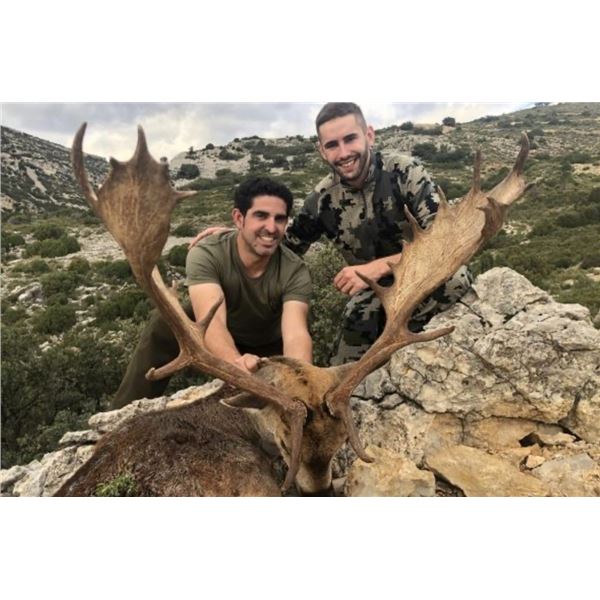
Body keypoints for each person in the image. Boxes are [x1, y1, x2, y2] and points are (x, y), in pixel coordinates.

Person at [191, 102, 472, 366]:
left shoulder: (405, 173)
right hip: (372, 297)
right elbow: (285, 245)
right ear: (322, 151)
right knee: (344, 366)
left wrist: (377, 267)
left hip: (425, 275)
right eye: (332, 145)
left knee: (456, 279)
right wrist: (239, 233)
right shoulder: (321, 199)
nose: (343, 153)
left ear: (369, 135)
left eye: (350, 139)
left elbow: (445, 242)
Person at [111, 176, 312, 409]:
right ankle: (122, 415)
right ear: (239, 218)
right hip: (222, 335)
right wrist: (237, 366)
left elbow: (296, 334)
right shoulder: (207, 253)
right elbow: (212, 322)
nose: (271, 227)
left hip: (269, 343)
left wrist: (298, 382)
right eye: (261, 216)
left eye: (280, 219)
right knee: (164, 323)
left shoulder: (294, 269)